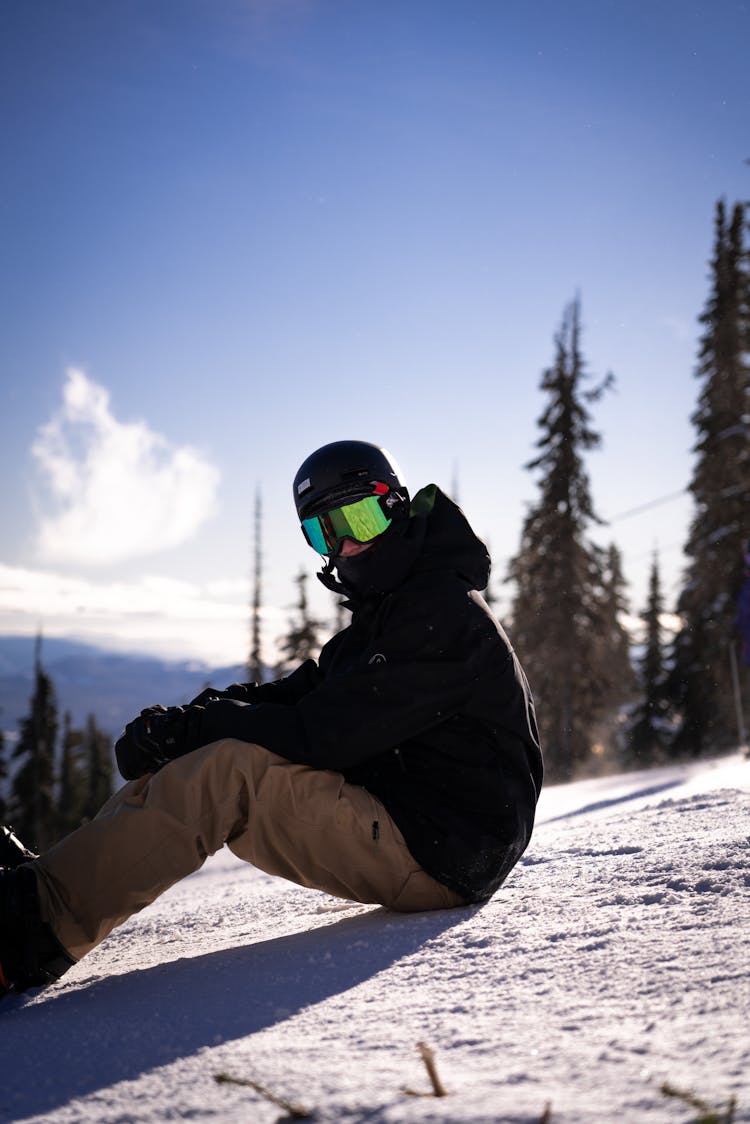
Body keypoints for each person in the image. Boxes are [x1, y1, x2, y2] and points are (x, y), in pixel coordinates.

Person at [0, 440, 543, 998]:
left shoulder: (440, 617)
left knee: (228, 773)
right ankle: (44, 891)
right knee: (217, 750)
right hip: (418, 822)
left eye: (358, 517)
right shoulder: (395, 611)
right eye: (324, 533)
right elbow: (299, 694)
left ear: (396, 507)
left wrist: (206, 729)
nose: (348, 545)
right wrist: (190, 720)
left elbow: (322, 735)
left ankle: (26, 931)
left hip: (445, 853)